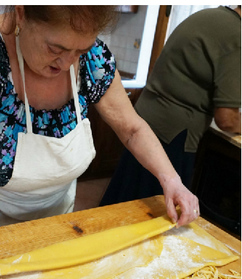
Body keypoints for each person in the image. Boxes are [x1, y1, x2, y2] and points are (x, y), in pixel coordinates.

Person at [0, 5, 200, 279]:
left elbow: (132, 128)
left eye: (79, 50)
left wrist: (171, 180)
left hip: (56, 224)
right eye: (55, 48)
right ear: (22, 14)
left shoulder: (92, 57)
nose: (67, 62)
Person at [101, 6, 241, 206]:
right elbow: (227, 118)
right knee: (153, 209)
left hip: (148, 120)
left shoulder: (211, 16)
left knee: (125, 198)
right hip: (173, 134)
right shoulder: (237, 34)